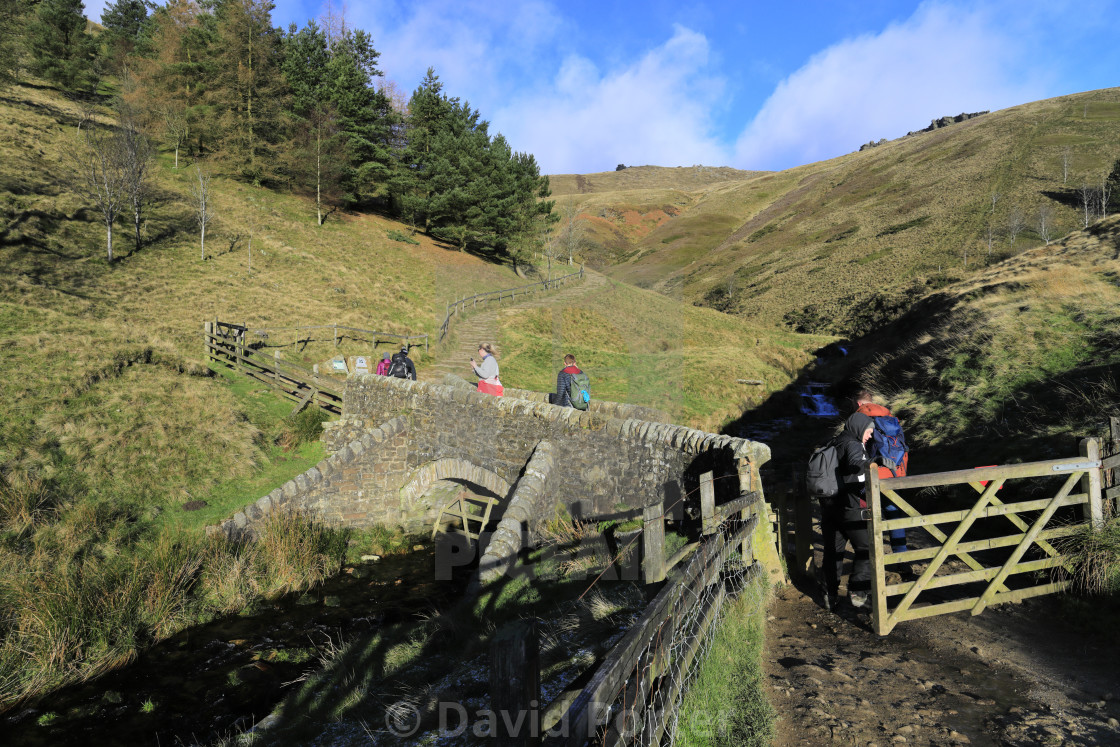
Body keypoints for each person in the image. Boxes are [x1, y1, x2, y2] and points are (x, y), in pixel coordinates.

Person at [819, 412, 876, 611]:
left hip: (829, 506)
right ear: (859, 428)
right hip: (850, 506)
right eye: (869, 431)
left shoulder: (833, 442)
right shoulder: (853, 444)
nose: (870, 435)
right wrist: (871, 464)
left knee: (833, 552)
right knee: (868, 548)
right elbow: (856, 468)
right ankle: (858, 592)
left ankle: (829, 595)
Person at [854, 389, 910, 558]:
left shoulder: (859, 418)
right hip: (894, 473)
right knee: (894, 515)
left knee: (868, 516)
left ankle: (872, 558)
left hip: (874, 476)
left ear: (858, 403)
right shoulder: (889, 417)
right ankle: (902, 558)